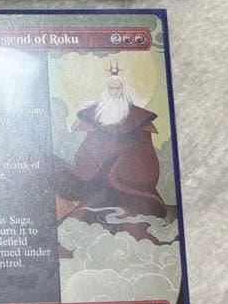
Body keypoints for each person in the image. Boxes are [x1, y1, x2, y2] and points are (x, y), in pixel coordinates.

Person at [57, 63, 167, 219]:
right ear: (107, 90)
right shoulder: (97, 115)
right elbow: (87, 148)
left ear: (123, 89)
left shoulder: (139, 118)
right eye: (112, 88)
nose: (115, 92)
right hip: (93, 177)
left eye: (118, 88)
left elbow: (145, 152)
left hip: (123, 178)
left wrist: (122, 164)